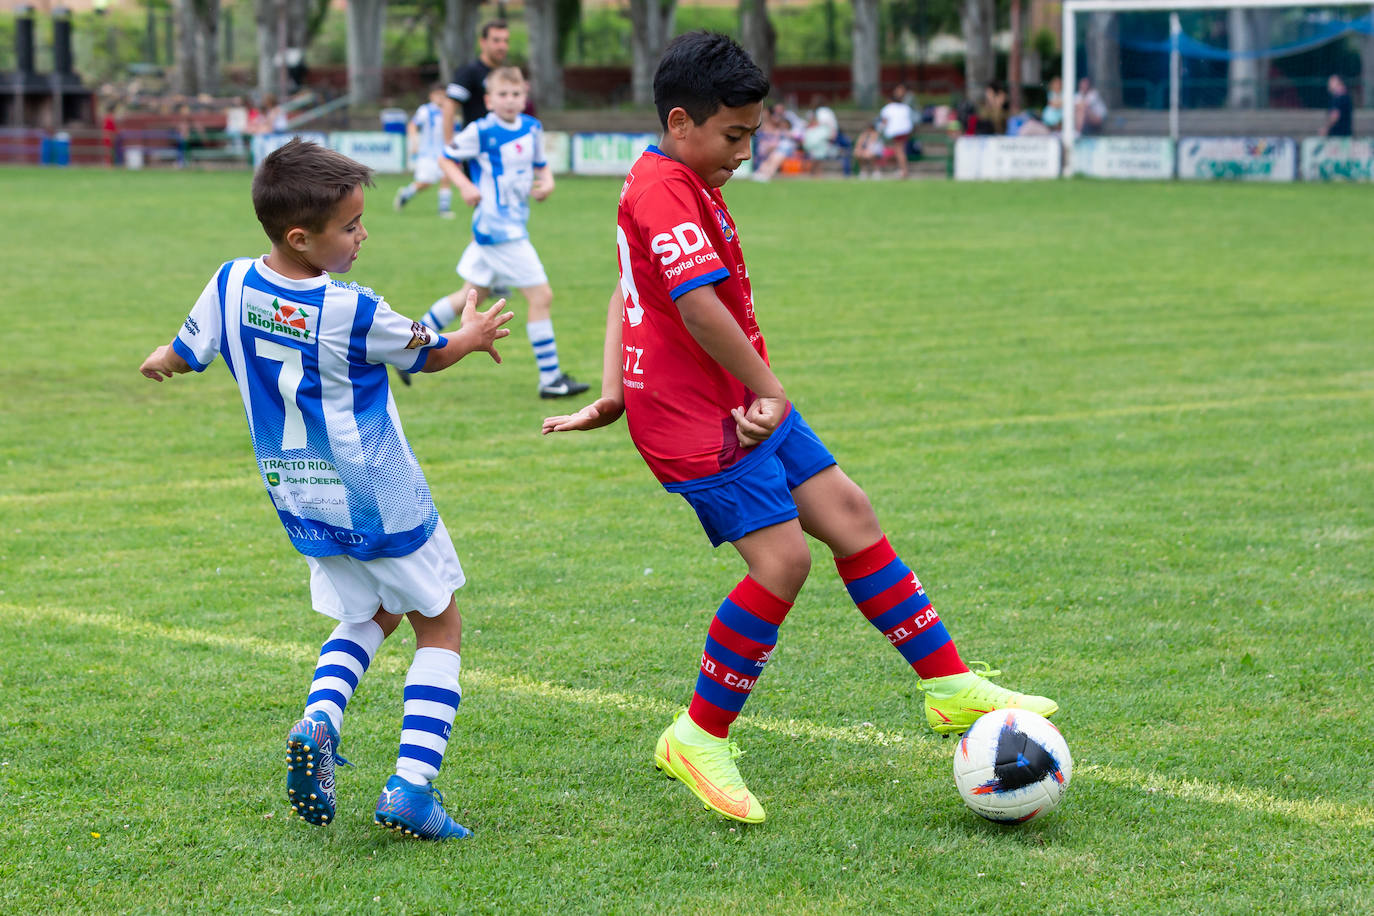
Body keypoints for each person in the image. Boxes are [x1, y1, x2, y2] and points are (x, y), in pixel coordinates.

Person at [541, 31, 1059, 826]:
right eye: (734, 136)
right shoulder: (664, 190)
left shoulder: (673, 177)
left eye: (752, 135)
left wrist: (610, 391)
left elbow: (624, 289)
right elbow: (693, 305)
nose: (746, 152)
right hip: (695, 419)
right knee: (782, 563)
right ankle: (696, 736)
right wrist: (769, 389)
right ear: (681, 122)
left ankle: (949, 688)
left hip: (739, 399)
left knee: (850, 515)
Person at [137, 138, 514, 841]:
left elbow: (185, 351)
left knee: (373, 611)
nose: (362, 235)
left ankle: (321, 716)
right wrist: (472, 332)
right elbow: (428, 354)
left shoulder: (229, 283)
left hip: (300, 494)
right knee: (441, 622)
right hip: (380, 496)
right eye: (350, 227)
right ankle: (411, 786)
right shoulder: (350, 309)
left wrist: (162, 359)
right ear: (301, 237)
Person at [407, 67, 589, 400]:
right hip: (498, 228)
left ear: (525, 96)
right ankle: (550, 379)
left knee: (468, 296)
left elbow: (540, 164)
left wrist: (547, 182)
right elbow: (446, 159)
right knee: (541, 297)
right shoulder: (481, 130)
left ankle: (408, 345)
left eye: (516, 94)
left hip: (509, 225)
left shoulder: (532, 128)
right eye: (502, 95)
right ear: (489, 100)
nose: (510, 101)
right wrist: (464, 186)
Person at [394, 83, 457, 218]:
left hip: (444, 152)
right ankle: (405, 193)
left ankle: (444, 210)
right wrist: (414, 143)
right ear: (431, 96)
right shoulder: (425, 110)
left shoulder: (449, 110)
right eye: (438, 95)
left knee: (446, 178)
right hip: (428, 154)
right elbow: (412, 125)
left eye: (443, 95)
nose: (441, 98)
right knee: (425, 183)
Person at [447, 19, 510, 131]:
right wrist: (448, 143)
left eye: (505, 41)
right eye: (496, 40)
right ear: (483, 42)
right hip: (475, 145)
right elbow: (449, 106)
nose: (502, 46)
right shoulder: (469, 71)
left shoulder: (505, 73)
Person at [878, 84, 915, 179]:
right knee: (899, 151)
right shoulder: (905, 107)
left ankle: (904, 171)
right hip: (905, 131)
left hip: (897, 131)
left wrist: (879, 131)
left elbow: (884, 122)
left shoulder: (887, 108)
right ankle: (901, 169)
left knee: (899, 151)